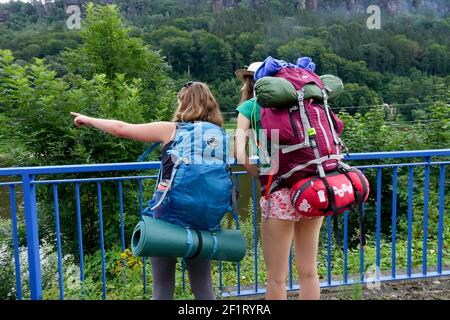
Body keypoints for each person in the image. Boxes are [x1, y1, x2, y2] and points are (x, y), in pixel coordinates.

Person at [71, 81, 224, 300]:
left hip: (166, 217)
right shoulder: (218, 135)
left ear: (183, 103)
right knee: (203, 286)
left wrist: (89, 119)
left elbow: (121, 129)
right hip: (204, 219)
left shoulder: (172, 129)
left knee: (162, 286)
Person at [235, 63, 324, 300]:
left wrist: (256, 173)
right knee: (309, 271)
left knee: (276, 277)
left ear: (250, 82)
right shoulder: (300, 103)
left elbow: (238, 151)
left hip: (278, 193)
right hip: (311, 189)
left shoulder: (250, 107)